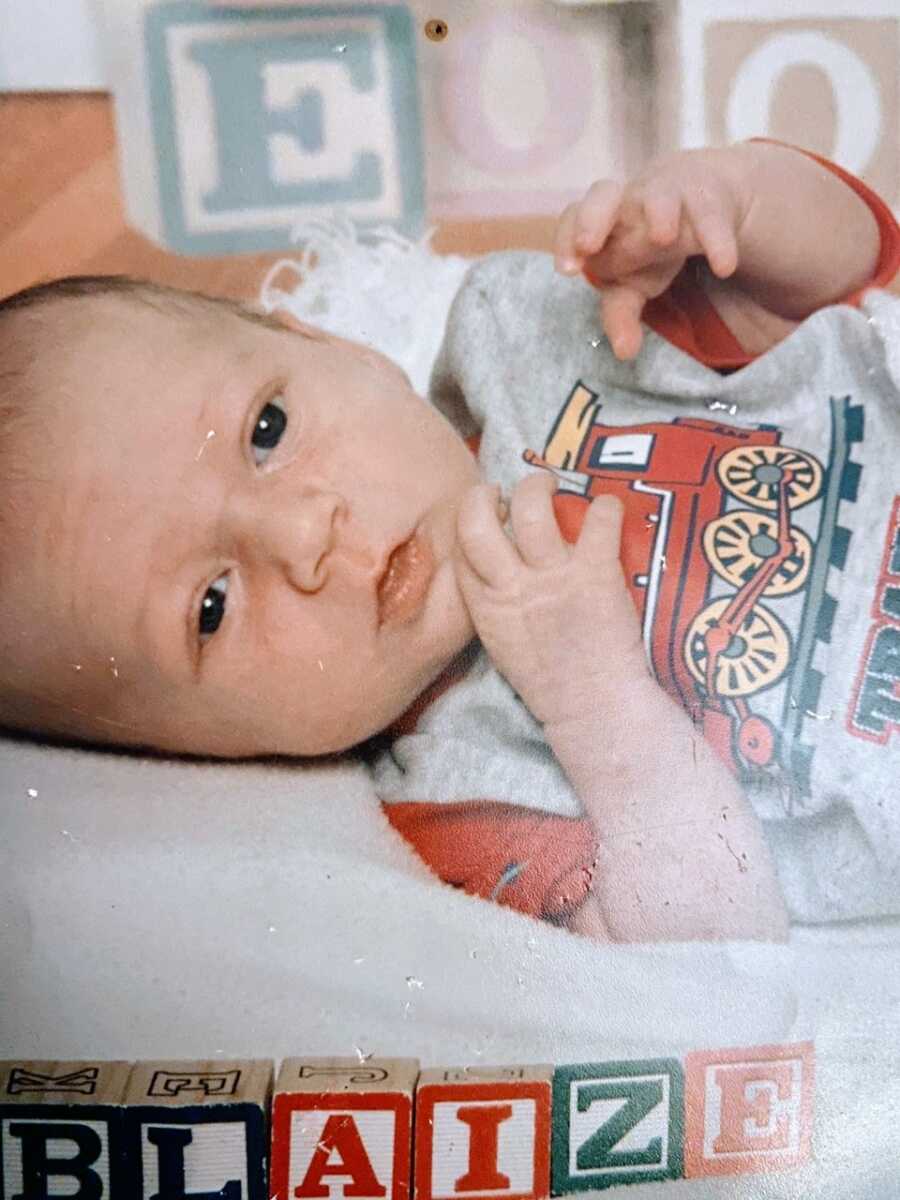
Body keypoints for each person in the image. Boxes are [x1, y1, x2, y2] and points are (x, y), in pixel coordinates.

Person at [1, 140, 896, 942]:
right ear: (190, 753)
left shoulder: (528, 334)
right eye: (211, 606)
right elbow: (718, 946)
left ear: (335, 346)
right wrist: (596, 703)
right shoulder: (462, 808)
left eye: (267, 429)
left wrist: (732, 197)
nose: (303, 534)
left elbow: (851, 265)